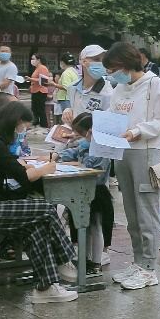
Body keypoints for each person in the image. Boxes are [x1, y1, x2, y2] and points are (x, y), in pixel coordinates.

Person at [0, 103, 78, 303]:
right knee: (45, 209)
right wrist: (47, 168)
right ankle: (63, 259)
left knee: (36, 227)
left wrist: (29, 165)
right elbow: (24, 176)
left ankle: (46, 287)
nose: (24, 130)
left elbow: (14, 165)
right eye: (24, 126)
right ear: (15, 122)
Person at [104, 42, 160, 288]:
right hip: (122, 152)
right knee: (131, 212)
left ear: (126, 63)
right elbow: (112, 116)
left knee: (147, 210)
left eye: (113, 68)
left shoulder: (154, 84)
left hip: (145, 151)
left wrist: (136, 132)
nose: (111, 73)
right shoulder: (119, 88)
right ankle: (138, 261)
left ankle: (149, 268)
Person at [58, 112, 113, 273]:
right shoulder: (85, 145)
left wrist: (79, 160)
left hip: (96, 190)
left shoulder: (102, 148)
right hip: (81, 188)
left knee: (95, 226)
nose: (78, 137)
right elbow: (70, 154)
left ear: (90, 131)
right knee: (84, 226)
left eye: (81, 134)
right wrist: (56, 156)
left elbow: (92, 168)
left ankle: (96, 262)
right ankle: (86, 259)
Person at [63, 44, 112, 122]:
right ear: (83, 61)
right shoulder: (73, 88)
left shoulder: (107, 92)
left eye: (103, 60)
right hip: (75, 132)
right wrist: (68, 111)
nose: (101, 63)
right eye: (96, 59)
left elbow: (109, 121)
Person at [26, 52, 52, 129]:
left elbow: (43, 80)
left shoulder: (42, 68)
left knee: (40, 109)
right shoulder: (37, 68)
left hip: (40, 91)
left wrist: (30, 79)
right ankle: (36, 123)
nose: (32, 61)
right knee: (35, 108)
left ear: (38, 60)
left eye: (33, 59)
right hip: (35, 90)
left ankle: (44, 125)